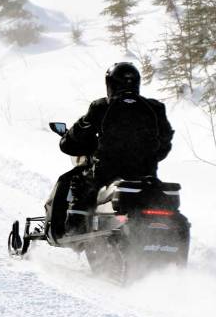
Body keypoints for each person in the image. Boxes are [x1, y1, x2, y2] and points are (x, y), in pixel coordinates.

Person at [55, 62, 174, 234]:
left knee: (81, 184)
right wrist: (146, 156)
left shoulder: (101, 107)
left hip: (105, 175)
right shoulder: (155, 108)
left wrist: (71, 139)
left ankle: (74, 229)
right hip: (145, 175)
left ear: (110, 84)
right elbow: (164, 143)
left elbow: (77, 136)